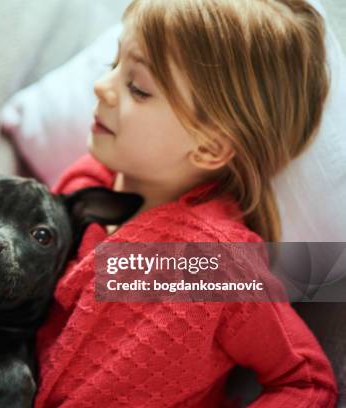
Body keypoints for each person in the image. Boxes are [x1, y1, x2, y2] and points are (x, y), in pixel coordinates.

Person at [34, 0, 338, 406]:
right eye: (113, 63)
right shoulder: (79, 184)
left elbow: (307, 382)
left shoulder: (214, 263)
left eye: (138, 88)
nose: (101, 86)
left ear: (210, 147)